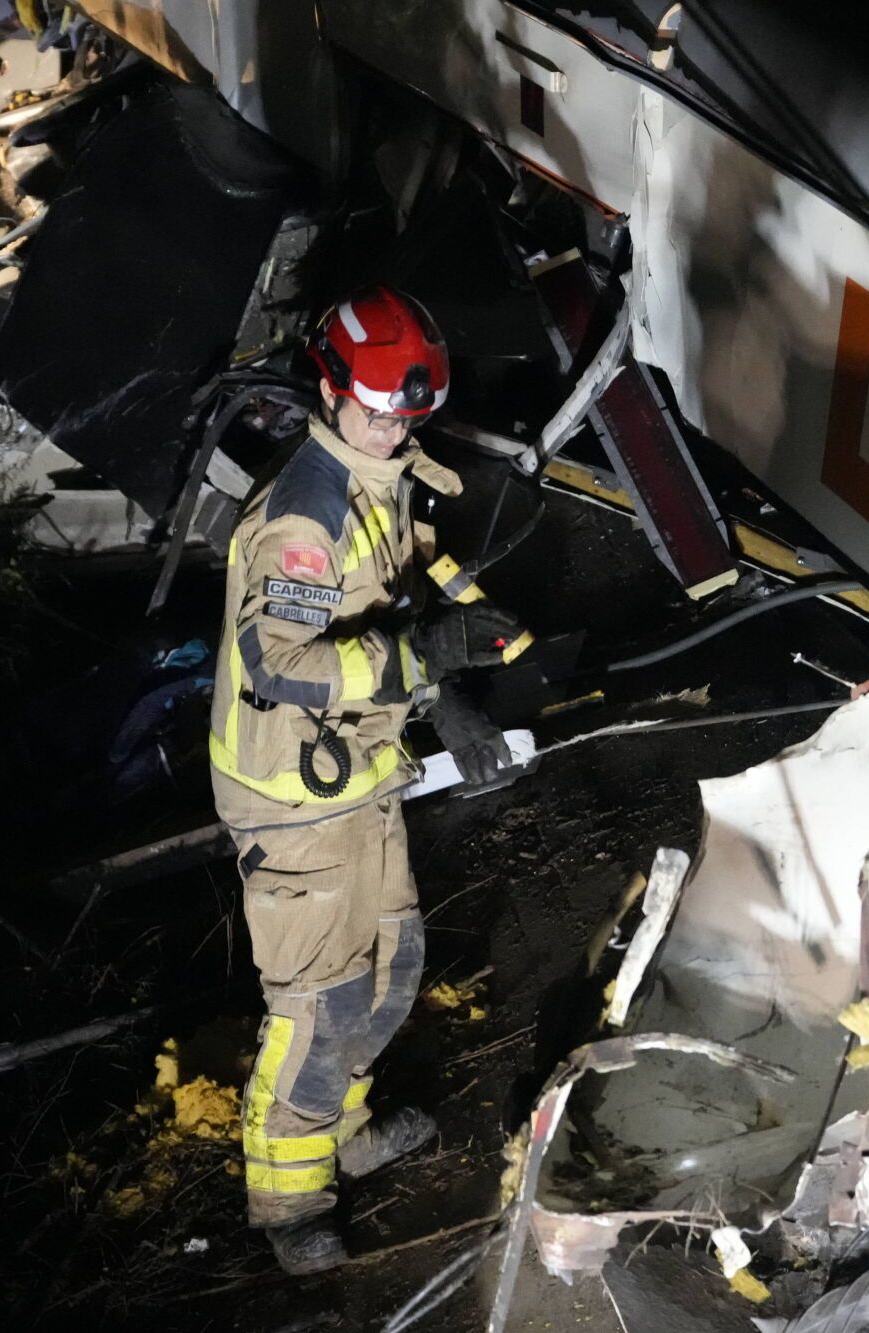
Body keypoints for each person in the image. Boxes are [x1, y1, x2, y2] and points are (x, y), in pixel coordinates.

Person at [210, 287, 519, 1274]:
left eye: (409, 412)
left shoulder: (384, 473)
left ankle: (342, 1136)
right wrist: (419, 661)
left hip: (359, 769)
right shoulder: (307, 513)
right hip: (290, 796)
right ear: (333, 388)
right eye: (378, 406)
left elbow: (413, 578)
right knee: (317, 1002)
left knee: (386, 973)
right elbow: (278, 662)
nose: (393, 426)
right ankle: (288, 1204)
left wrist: (460, 683)